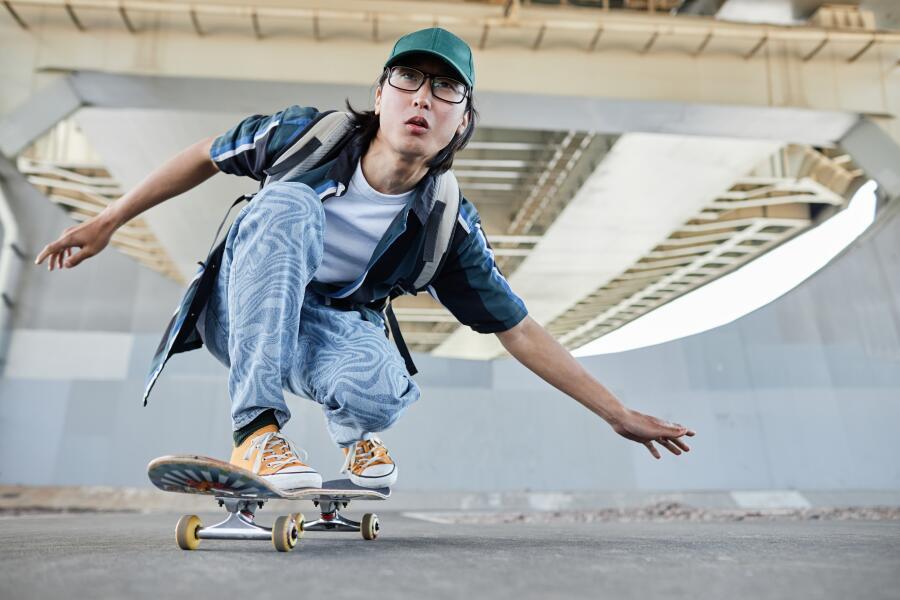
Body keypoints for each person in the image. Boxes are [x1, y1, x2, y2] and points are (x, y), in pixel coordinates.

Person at [34, 27, 695, 491]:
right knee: (287, 207)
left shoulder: (448, 223)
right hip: (241, 309)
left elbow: (515, 327)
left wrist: (615, 412)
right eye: (408, 80)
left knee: (381, 387)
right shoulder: (303, 136)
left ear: (460, 123)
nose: (422, 98)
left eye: (444, 91)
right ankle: (257, 428)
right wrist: (107, 221)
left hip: (319, 333)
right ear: (380, 95)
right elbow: (207, 152)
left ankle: (356, 437)